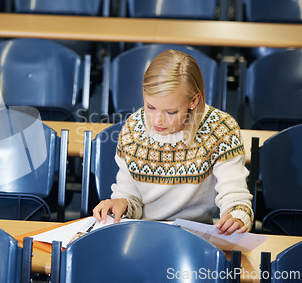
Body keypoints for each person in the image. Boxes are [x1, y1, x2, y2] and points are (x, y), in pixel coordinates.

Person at [93, 49, 253, 235]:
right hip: (143, 233)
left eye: (171, 112)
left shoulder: (221, 129)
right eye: (150, 107)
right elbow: (130, 197)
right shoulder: (133, 128)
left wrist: (237, 215)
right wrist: (120, 203)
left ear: (194, 101)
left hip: (195, 235)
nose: (157, 120)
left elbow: (234, 195)